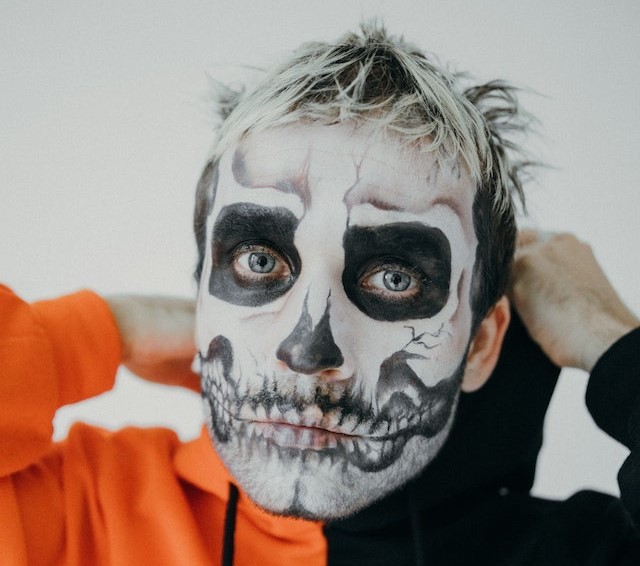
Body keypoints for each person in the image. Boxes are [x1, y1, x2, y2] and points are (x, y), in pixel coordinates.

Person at [1, 24, 639, 566]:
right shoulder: (81, 512)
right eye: (259, 261)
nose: (306, 351)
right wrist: (100, 328)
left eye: (395, 277)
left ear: (480, 345)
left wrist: (615, 346)